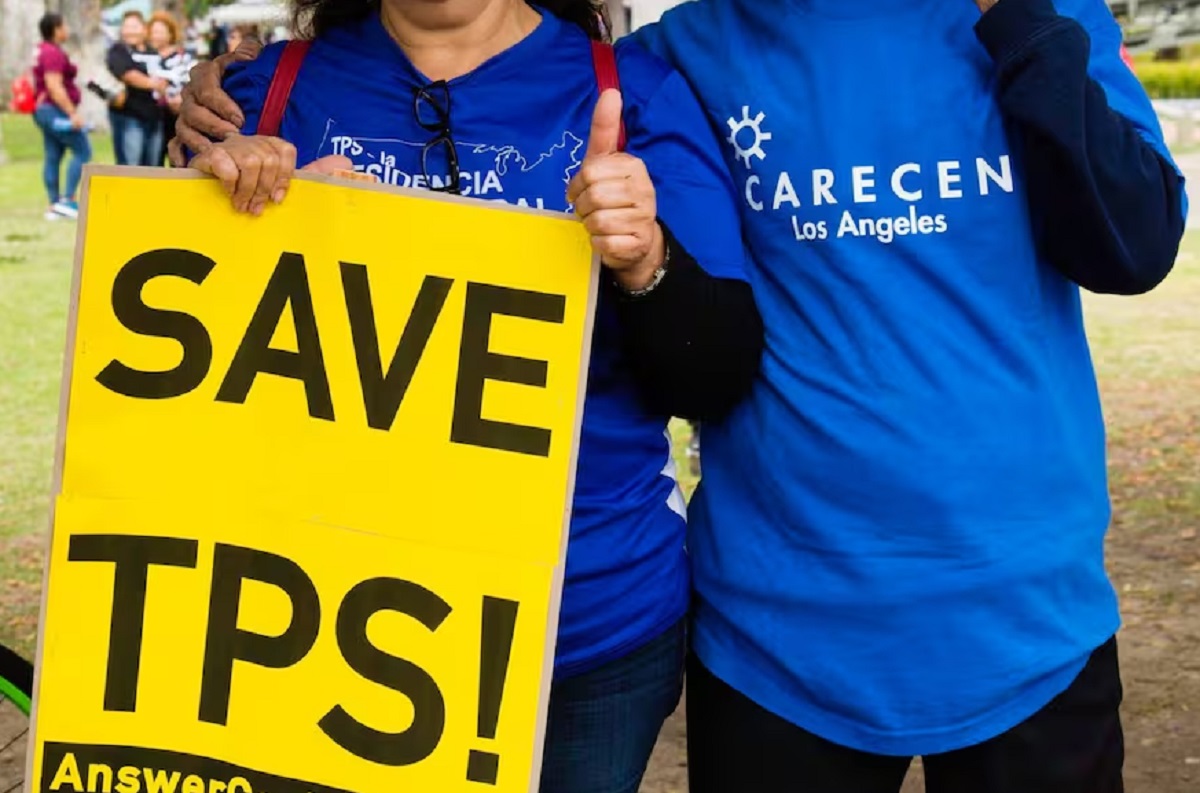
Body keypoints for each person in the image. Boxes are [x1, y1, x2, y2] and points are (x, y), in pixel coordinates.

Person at [171, 0, 1187, 789]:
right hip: (775, 633)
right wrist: (215, 114)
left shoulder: (1041, 17)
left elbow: (1133, 247)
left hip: (1026, 615)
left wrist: (1018, 19)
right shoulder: (687, 53)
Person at [171, 2, 763, 792]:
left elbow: (715, 377)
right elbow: (174, 365)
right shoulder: (261, 91)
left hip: (578, 640)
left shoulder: (635, 94)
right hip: (304, 624)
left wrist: (645, 258)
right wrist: (239, 223)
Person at [31, 12, 91, 221]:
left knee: (53, 154)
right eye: (64, 26)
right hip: (53, 110)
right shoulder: (52, 53)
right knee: (82, 150)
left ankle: (54, 204)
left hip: (44, 110)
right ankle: (67, 200)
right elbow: (54, 86)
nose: (67, 30)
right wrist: (72, 113)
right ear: (56, 29)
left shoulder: (42, 49)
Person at [106, 11, 168, 166]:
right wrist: (153, 83)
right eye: (126, 27)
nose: (129, 31)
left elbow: (166, 76)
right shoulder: (118, 50)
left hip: (155, 117)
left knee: (153, 166)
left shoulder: (154, 52)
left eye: (134, 27)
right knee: (131, 166)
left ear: (144, 29)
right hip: (129, 116)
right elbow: (128, 75)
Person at [148, 11, 193, 165]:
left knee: (177, 158)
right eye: (153, 32)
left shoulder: (182, 56)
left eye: (160, 32)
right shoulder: (146, 55)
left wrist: (180, 98)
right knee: (153, 160)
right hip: (152, 114)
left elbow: (190, 81)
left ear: (170, 33)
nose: (156, 36)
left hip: (175, 114)